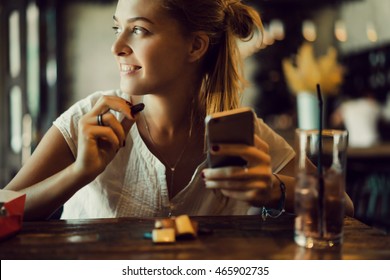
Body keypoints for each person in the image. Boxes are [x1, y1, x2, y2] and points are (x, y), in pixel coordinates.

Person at [5, 0, 354, 220]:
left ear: (195, 46)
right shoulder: (89, 119)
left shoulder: (243, 134)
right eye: (117, 27)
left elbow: (344, 206)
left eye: (138, 29)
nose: (116, 46)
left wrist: (273, 189)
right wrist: (79, 173)